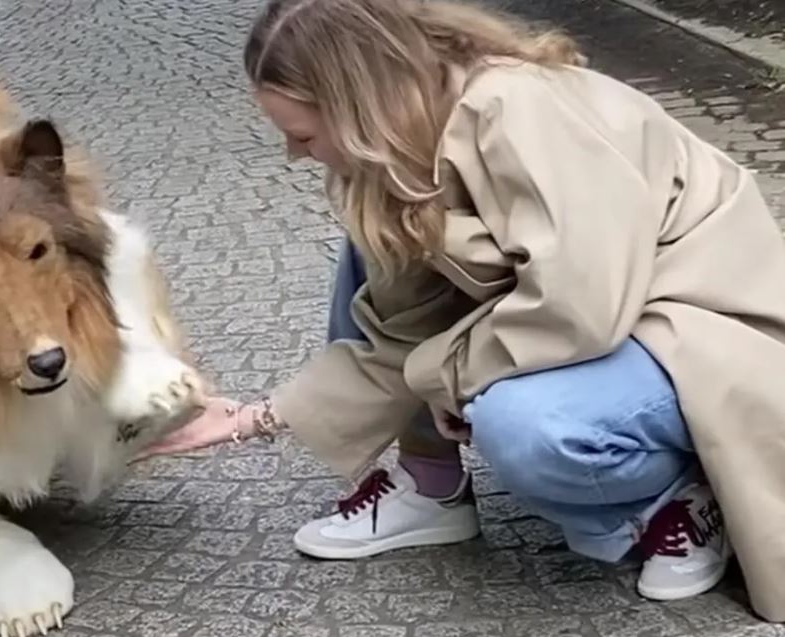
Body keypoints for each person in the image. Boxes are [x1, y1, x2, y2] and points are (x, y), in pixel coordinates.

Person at [136, 0, 785, 621]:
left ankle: (675, 497)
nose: (295, 153)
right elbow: (395, 330)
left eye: (302, 133)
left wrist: (449, 371)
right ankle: (430, 484)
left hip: (699, 320)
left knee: (526, 424)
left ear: (359, 105)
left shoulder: (519, 109)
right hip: (609, 319)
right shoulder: (396, 150)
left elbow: (580, 305)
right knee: (375, 251)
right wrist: (255, 417)